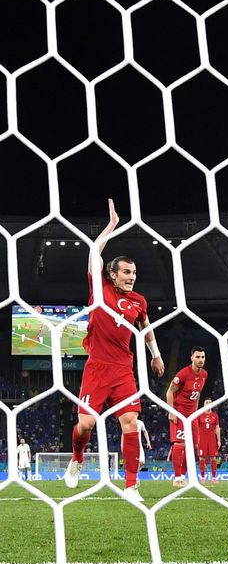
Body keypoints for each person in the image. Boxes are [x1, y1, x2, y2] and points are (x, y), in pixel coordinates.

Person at [65, 199, 166, 504]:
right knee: (85, 425)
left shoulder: (139, 301)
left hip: (124, 368)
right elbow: (94, 253)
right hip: (97, 367)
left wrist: (155, 354)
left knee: (130, 422)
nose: (131, 276)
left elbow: (146, 328)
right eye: (125, 272)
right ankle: (78, 457)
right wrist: (110, 226)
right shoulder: (100, 288)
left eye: (133, 272)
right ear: (111, 274)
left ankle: (132, 486)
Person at [165, 347, 208, 488]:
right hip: (179, 412)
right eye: (198, 357)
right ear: (192, 358)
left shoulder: (204, 375)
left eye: (202, 357)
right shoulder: (183, 374)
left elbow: (198, 394)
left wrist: (195, 412)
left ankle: (183, 477)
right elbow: (169, 392)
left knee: (194, 446)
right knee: (180, 444)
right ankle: (177, 478)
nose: (200, 360)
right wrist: (172, 412)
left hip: (192, 415)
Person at [194, 398, 221, 483]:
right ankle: (202, 477)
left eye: (210, 402)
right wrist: (196, 439)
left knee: (213, 458)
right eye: (207, 402)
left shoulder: (215, 415)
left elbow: (217, 428)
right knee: (202, 458)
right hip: (202, 439)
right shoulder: (199, 414)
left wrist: (219, 440)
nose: (208, 404)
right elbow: (196, 428)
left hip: (212, 438)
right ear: (204, 404)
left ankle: (214, 478)